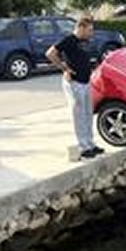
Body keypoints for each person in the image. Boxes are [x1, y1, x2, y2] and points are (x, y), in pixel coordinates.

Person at [46, 15, 104, 160]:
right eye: (89, 30)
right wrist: (64, 68)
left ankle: (90, 143)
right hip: (74, 82)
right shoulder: (69, 40)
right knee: (79, 115)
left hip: (86, 81)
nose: (91, 33)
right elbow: (50, 53)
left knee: (87, 113)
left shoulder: (86, 41)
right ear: (81, 28)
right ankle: (83, 146)